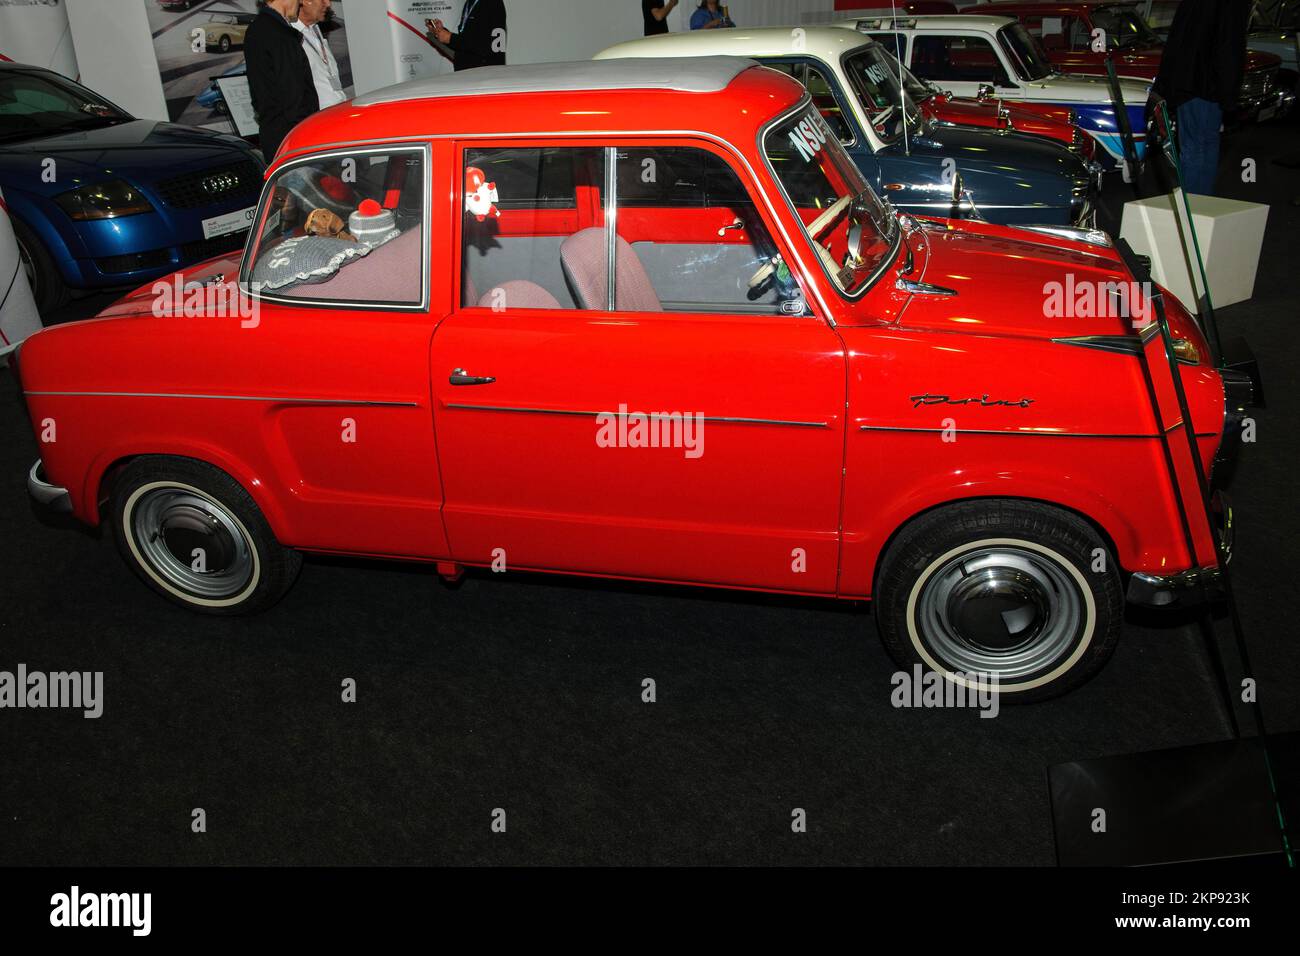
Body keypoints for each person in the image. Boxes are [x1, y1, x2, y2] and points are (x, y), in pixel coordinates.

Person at [1153, 0, 1249, 196]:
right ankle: (1200, 204)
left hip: (1190, 83)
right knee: (1205, 144)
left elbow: (1177, 39)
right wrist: (1230, 94)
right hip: (1210, 84)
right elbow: (1230, 45)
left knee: (1194, 147)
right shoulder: (1231, 6)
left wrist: (1164, 83)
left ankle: (1194, 205)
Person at [245, 0, 319, 160]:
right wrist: (308, 136)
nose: (299, 2)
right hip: (293, 141)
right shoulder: (279, 34)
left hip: (275, 137)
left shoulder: (257, 28)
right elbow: (294, 95)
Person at [425, 0, 507, 72]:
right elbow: (467, 43)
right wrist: (442, 33)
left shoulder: (491, 3)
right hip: (469, 75)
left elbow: (485, 46)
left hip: (483, 77)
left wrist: (451, 38)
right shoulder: (470, 3)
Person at [293, 0, 346, 110]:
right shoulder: (289, 38)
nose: (328, 4)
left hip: (337, 112)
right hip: (315, 120)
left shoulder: (315, 29)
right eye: (322, 0)